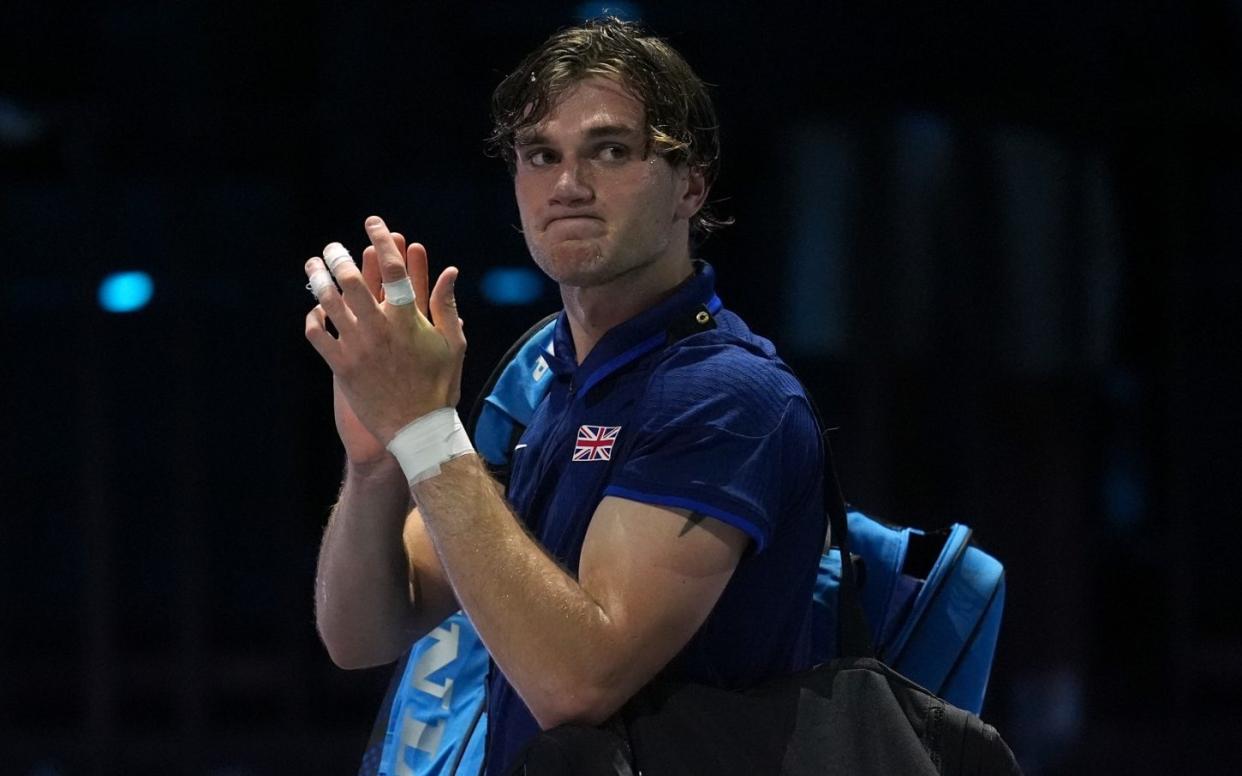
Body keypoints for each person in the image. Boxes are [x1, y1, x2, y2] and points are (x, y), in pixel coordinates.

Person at [304, 18, 826, 775]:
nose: (569, 186)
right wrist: (378, 460)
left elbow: (576, 682)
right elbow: (361, 634)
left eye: (610, 151)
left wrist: (425, 428)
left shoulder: (728, 395)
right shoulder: (546, 386)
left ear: (692, 184)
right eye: (540, 156)